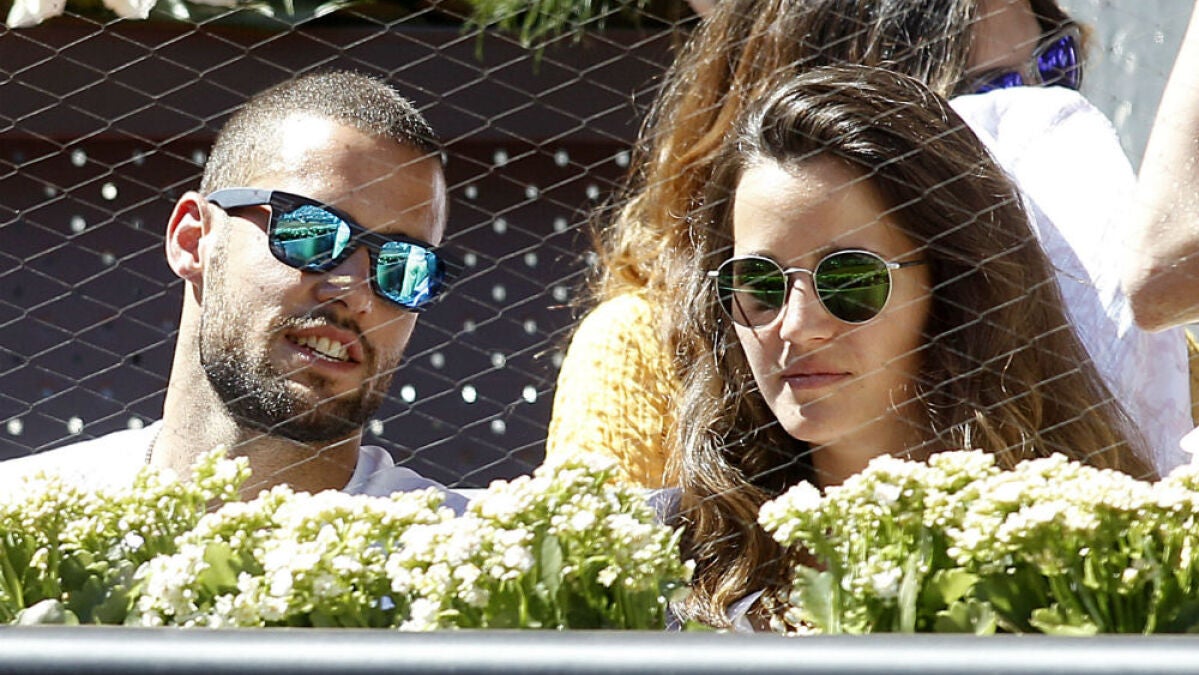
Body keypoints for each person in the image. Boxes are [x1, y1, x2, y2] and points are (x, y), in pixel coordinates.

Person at [545, 0, 1191, 483]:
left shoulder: (1139, 343)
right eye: (985, 99)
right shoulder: (643, 349)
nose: (1042, 119)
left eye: (1053, 66)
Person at [668, 64, 1152, 630]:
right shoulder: (659, 560)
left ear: (952, 289)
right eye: (762, 286)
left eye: (850, 280)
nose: (798, 326)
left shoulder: (1100, 563)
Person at [1, 70, 467, 511]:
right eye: (311, 232)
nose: (357, 294)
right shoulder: (20, 521)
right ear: (193, 240)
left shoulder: (466, 553)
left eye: (404, 266)